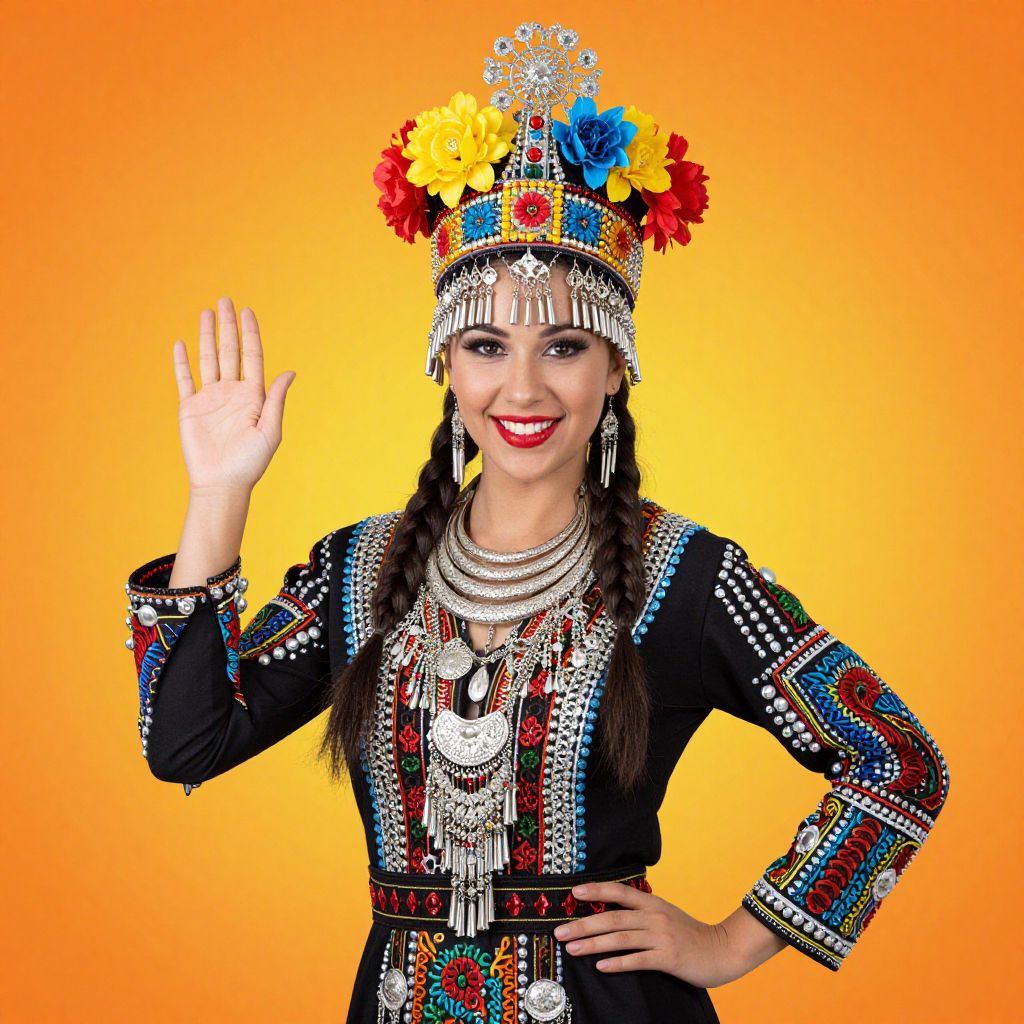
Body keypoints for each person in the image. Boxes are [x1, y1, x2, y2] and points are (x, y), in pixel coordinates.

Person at [122, 23, 950, 1024]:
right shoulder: (359, 571)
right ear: (445, 364)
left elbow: (897, 757)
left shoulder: (684, 575)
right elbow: (186, 741)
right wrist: (220, 492)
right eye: (484, 343)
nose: (522, 387)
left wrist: (736, 939)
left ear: (615, 368)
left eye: (563, 345)